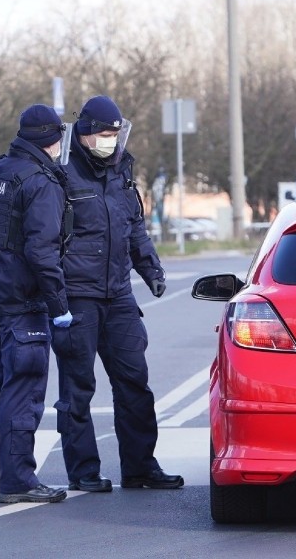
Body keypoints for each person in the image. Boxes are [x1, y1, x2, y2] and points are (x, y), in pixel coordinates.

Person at [52, 95, 184, 493]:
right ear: (88, 133)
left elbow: (134, 229)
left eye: (115, 132)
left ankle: (140, 467)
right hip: (78, 296)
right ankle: (84, 470)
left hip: (119, 295)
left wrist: (152, 270)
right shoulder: (62, 173)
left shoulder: (121, 170)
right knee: (78, 388)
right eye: (105, 133)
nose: (111, 140)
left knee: (134, 382)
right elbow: (46, 235)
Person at [0, 104, 71, 504]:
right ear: (52, 140)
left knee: (2, 389)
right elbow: (43, 253)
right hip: (22, 303)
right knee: (23, 392)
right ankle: (18, 482)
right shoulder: (40, 183)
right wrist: (59, 306)